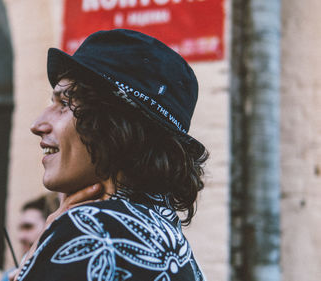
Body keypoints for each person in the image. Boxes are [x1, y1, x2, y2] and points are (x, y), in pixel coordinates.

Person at [13, 29, 209, 281]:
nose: (38, 124)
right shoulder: (175, 248)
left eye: (64, 104)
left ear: (115, 128)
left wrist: (34, 261)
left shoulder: (90, 231)